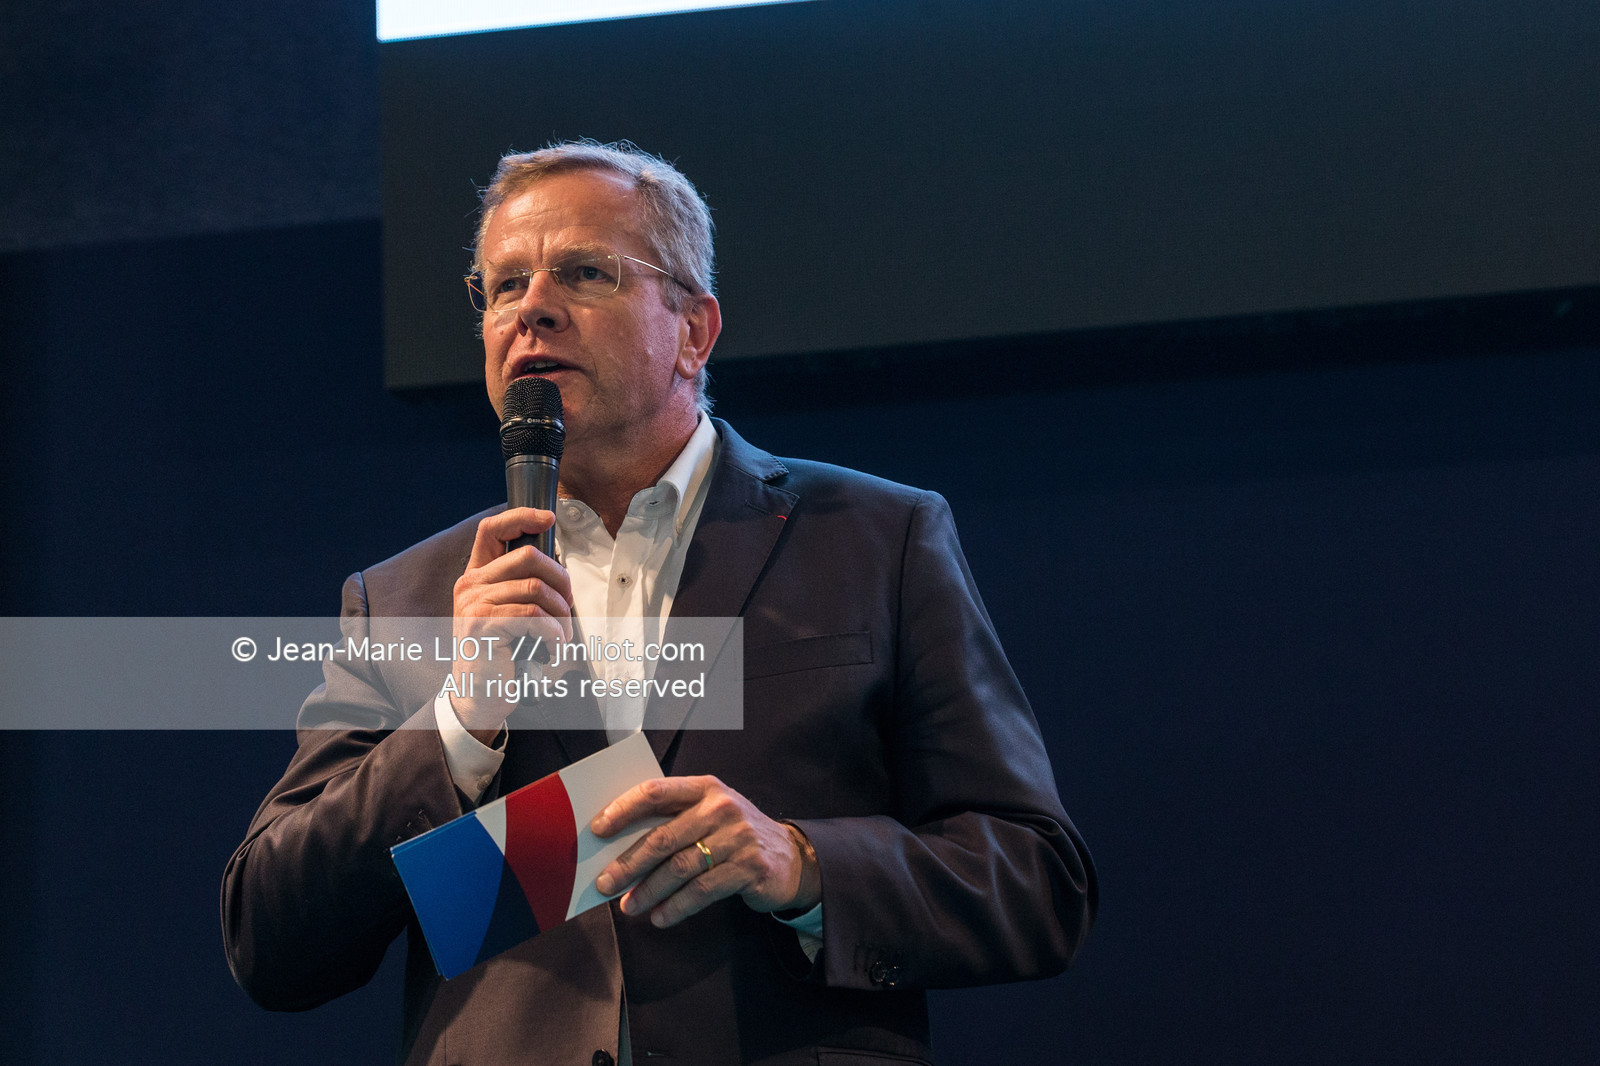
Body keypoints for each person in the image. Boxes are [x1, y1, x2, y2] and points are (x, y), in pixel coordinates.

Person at [222, 140, 1096, 1066]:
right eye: (504, 285)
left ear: (694, 330)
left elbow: (1037, 880)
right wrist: (456, 725)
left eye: (584, 273)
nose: (533, 309)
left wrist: (802, 863)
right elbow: (270, 940)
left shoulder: (878, 540)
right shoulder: (401, 602)